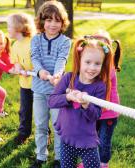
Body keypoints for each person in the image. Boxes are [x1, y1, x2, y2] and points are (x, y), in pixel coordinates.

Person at [48, 37, 113, 168]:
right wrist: (68, 97)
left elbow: (95, 116)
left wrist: (86, 104)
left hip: (87, 142)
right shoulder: (68, 78)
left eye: (97, 63)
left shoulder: (100, 86)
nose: (92, 68)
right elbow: (52, 101)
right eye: (88, 62)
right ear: (80, 60)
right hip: (66, 138)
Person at [30, 1, 71, 168]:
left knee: (57, 126)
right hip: (39, 90)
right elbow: (35, 58)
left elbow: (62, 59)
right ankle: (41, 156)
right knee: (40, 124)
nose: (53, 24)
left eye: (57, 20)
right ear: (42, 21)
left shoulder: (65, 41)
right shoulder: (36, 40)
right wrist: (41, 72)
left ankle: (59, 158)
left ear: (62, 23)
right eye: (48, 20)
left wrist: (57, 75)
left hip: (57, 91)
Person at [77, 30, 123, 168]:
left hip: (108, 112)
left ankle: (103, 164)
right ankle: (90, 162)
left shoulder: (109, 67)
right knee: (92, 137)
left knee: (104, 140)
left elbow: (93, 80)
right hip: (94, 110)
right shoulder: (92, 65)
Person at [7, 13, 36, 145]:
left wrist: (31, 71)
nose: (7, 29)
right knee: (24, 110)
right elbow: (16, 60)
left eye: (9, 26)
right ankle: (24, 132)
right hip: (24, 85)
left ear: (18, 27)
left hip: (37, 84)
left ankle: (45, 134)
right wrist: (18, 68)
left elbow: (38, 62)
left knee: (41, 112)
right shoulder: (15, 45)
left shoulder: (32, 42)